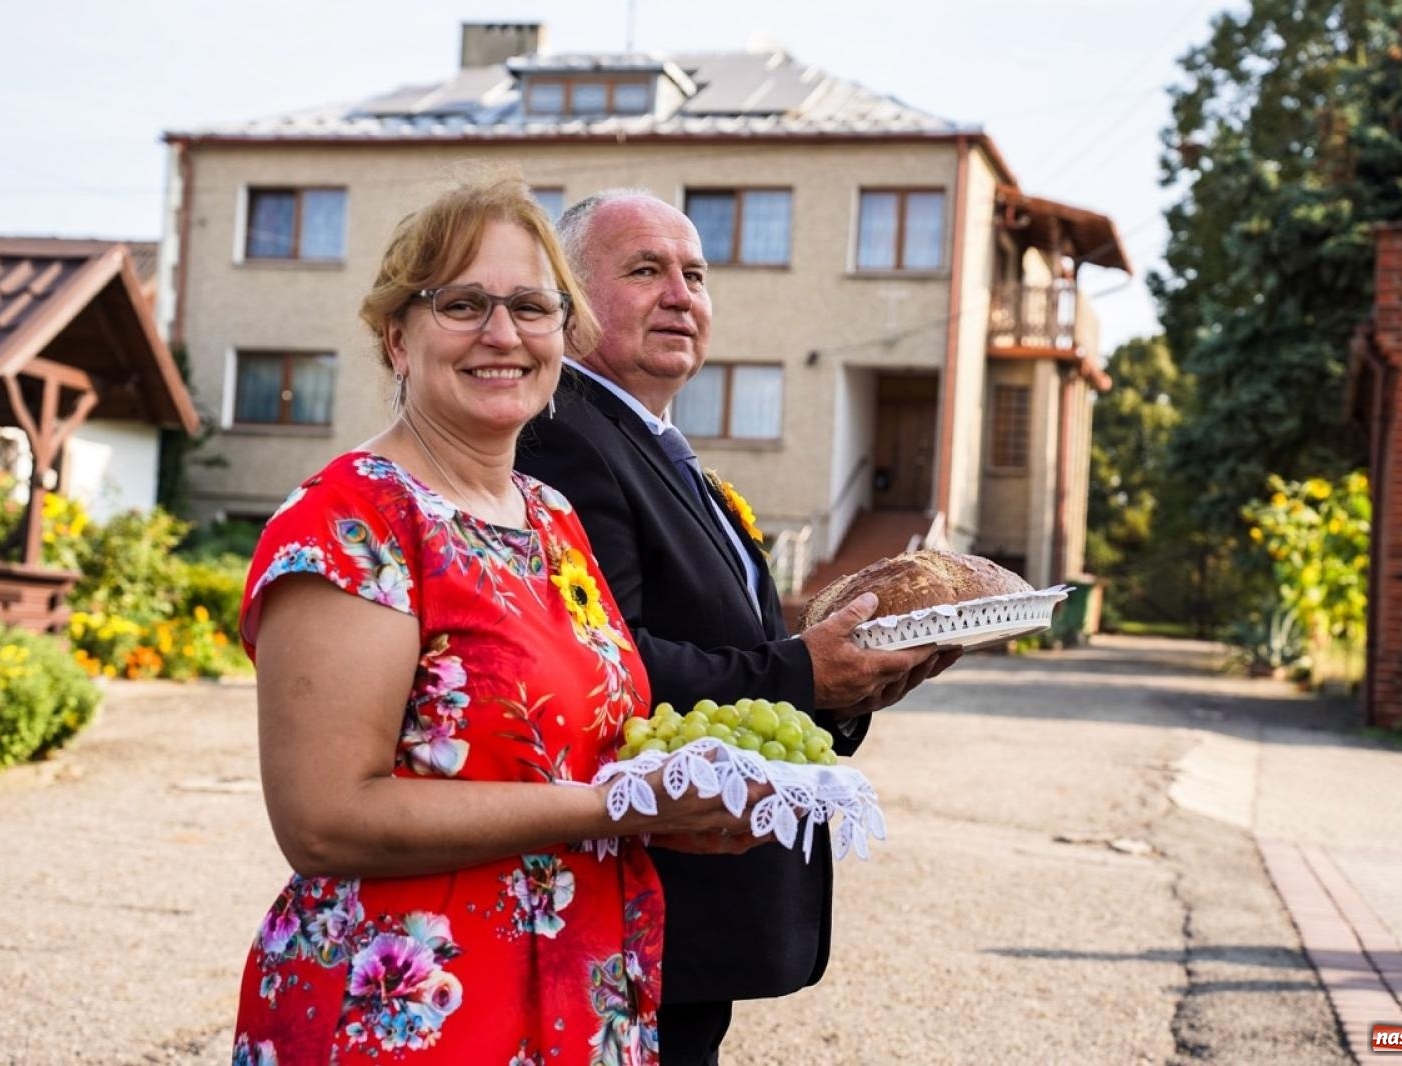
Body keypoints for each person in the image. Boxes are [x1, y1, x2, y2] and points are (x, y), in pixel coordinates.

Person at [231, 177, 766, 1066]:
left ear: (565, 333)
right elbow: (323, 818)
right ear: (395, 336)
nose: (504, 334)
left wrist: (677, 800)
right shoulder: (354, 520)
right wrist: (614, 806)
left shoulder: (550, 516)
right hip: (409, 1012)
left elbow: (569, 744)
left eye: (531, 306)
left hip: (579, 995)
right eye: (464, 303)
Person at [516, 190, 955, 1064]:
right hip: (634, 905)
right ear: (569, 300)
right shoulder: (565, 434)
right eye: (645, 270)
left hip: (696, 917)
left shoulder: (667, 454)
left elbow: (738, 647)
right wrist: (799, 674)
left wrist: (851, 682)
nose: (681, 294)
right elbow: (603, 660)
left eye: (695, 274)